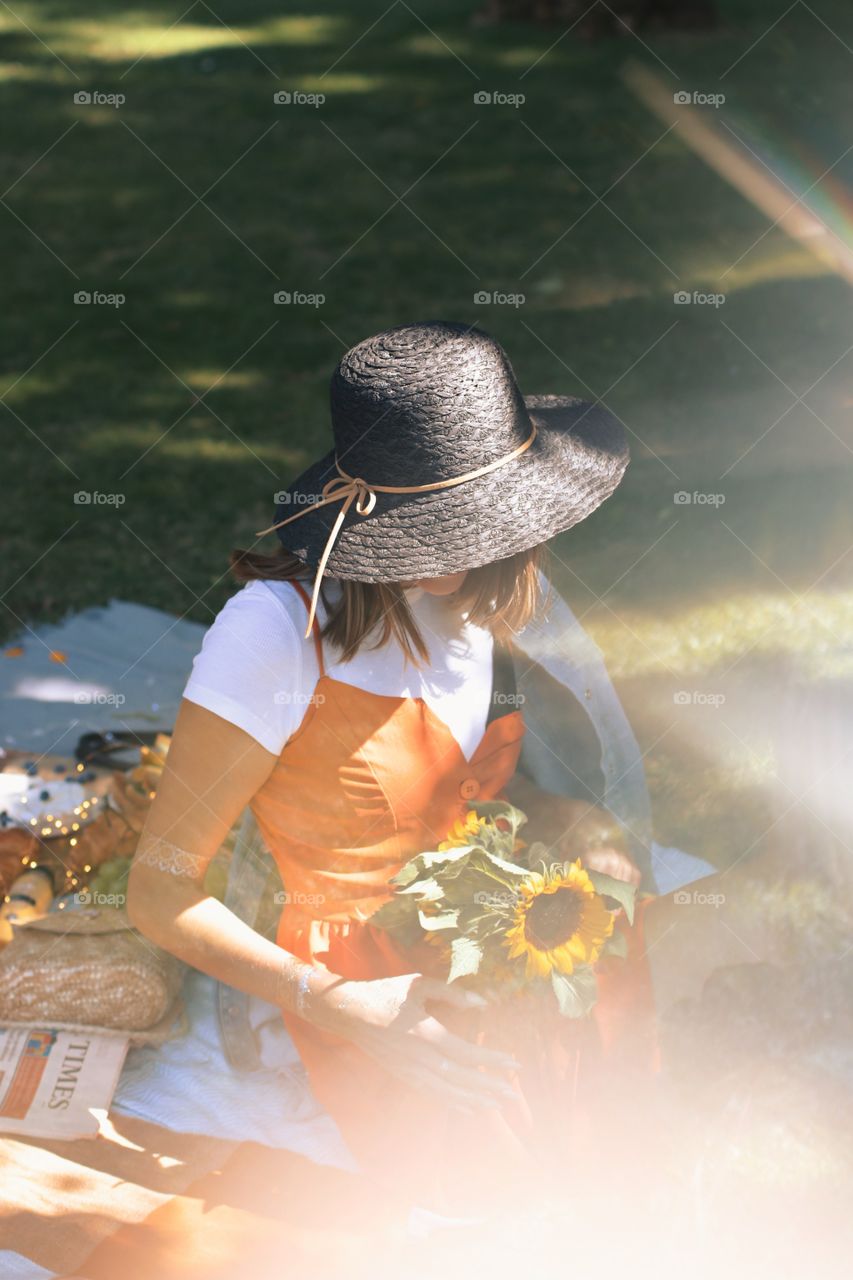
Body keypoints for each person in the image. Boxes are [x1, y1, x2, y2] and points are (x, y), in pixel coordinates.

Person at [126, 322, 781, 1218]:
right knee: (496, 1197)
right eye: (436, 529)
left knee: (613, 1128)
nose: (468, 554)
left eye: (486, 526)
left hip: (489, 910)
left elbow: (464, 788)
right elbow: (158, 892)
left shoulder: (487, 592)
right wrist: (326, 1002)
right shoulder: (271, 635)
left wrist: (578, 824)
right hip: (364, 976)